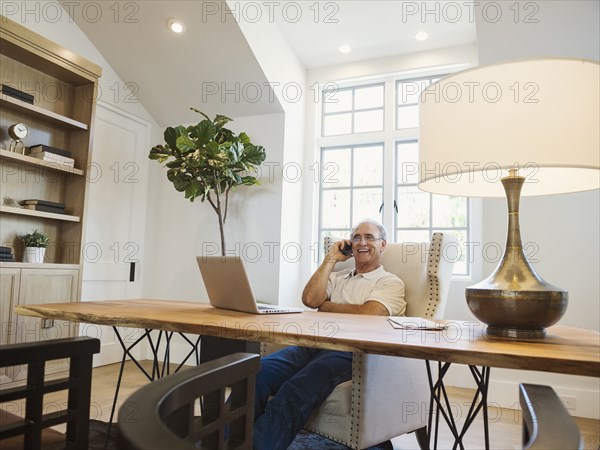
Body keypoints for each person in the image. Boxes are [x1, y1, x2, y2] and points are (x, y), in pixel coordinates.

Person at [253, 219, 406, 450]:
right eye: (356, 237)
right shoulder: (338, 276)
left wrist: (328, 306)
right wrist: (331, 259)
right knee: (256, 373)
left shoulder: (390, 282)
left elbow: (370, 312)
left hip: (354, 353)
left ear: (383, 245)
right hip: (313, 345)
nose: (361, 242)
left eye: (369, 237)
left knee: (295, 388)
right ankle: (227, 441)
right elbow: (310, 300)